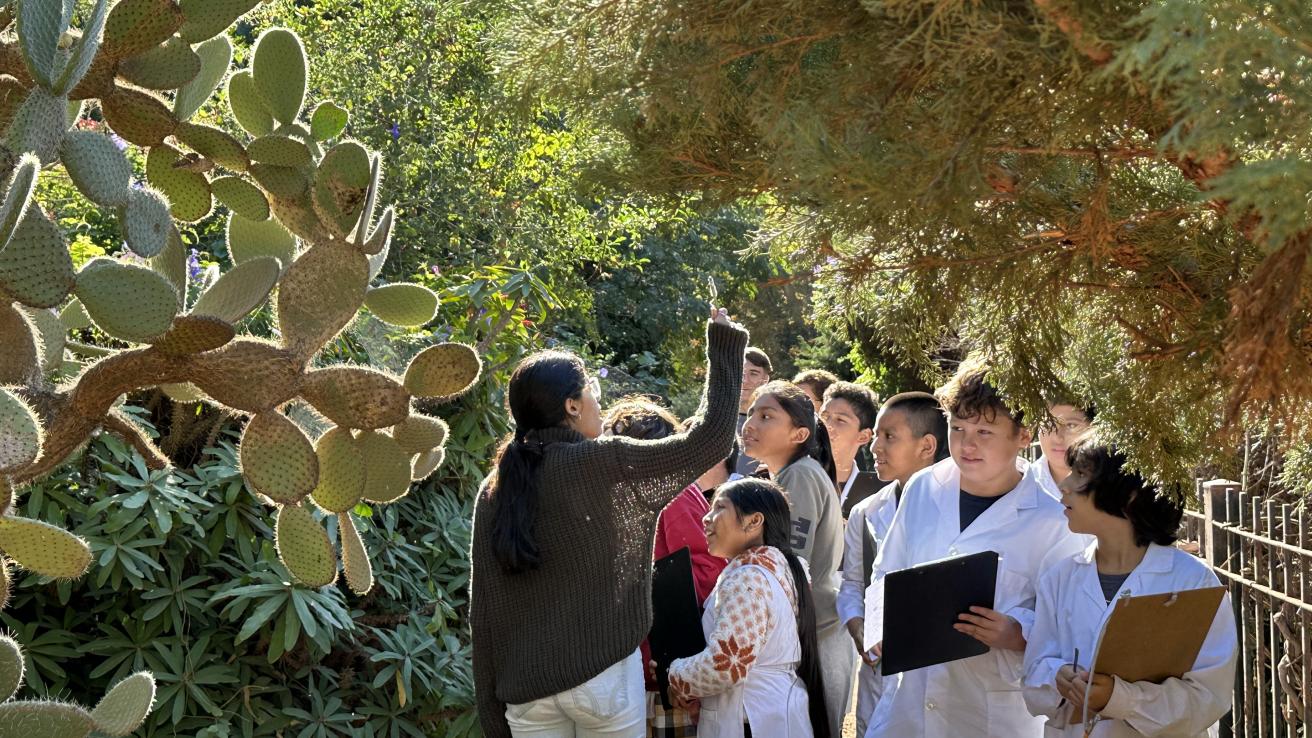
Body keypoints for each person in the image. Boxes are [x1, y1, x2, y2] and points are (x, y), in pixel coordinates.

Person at [470, 307, 748, 738]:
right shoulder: (605, 462)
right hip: (602, 681)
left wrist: (491, 713)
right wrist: (723, 344)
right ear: (572, 405)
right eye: (592, 390)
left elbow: (483, 613)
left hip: (526, 692)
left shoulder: (495, 488)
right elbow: (710, 439)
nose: (599, 400)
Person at [863, 357, 1086, 738]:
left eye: (984, 431)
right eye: (958, 428)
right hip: (909, 704)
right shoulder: (922, 488)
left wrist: (1018, 633)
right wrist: (882, 629)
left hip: (992, 712)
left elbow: (1069, 623)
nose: (966, 444)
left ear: (1023, 436)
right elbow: (885, 572)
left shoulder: (1054, 523)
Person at [1023, 437, 1237, 737]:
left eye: (1081, 474)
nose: (1065, 483)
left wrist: (1120, 699)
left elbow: (1208, 696)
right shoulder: (1060, 578)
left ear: (1130, 495)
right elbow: (1033, 675)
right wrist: (1057, 677)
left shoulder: (1192, 582)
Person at [603, 398, 730, 738]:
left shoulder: (672, 493)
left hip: (665, 669)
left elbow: (707, 570)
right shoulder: (622, 495)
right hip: (636, 666)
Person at [667, 478, 830, 738]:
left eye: (720, 508)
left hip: (753, 721)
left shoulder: (749, 578)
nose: (706, 518)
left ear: (754, 521)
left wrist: (674, 676)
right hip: (770, 714)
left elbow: (726, 665)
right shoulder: (775, 572)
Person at [740, 381, 849, 737]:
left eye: (767, 416)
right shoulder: (788, 474)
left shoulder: (798, 475)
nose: (750, 423)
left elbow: (789, 567)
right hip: (809, 636)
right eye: (753, 412)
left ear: (799, 433)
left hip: (815, 639)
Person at [837, 391, 948, 738]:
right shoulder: (866, 511)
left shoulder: (952, 509)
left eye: (890, 437)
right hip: (878, 668)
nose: (875, 447)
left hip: (935, 670)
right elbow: (853, 584)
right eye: (877, 435)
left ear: (926, 446)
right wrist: (860, 628)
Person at [819, 381, 878, 514]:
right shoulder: (790, 475)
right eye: (824, 416)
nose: (827, 425)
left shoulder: (875, 495)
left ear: (863, 436)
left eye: (840, 420)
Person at [1027, 403, 1094, 500]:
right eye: (1048, 425)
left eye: (1071, 425)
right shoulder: (1021, 486)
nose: (1058, 438)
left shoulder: (1115, 483)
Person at [735, 347, 772, 477]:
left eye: (753, 373)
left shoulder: (775, 422)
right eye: (740, 373)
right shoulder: (719, 421)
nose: (745, 380)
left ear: (765, 379)